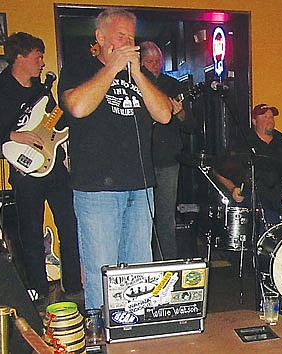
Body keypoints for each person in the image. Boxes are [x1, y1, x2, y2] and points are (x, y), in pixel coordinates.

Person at [58, 9, 172, 310]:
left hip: (140, 186)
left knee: (139, 274)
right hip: (97, 190)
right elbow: (78, 107)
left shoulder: (140, 74)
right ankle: (102, 339)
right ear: (100, 37)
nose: (127, 43)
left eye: (131, 38)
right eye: (120, 36)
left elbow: (164, 113)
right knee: (102, 273)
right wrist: (112, 68)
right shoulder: (79, 67)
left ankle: (134, 337)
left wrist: (136, 73)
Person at [0, 32, 82, 310]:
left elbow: (57, 125)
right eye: (37, 56)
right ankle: (37, 289)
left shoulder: (42, 89)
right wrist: (14, 135)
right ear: (19, 57)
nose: (41, 62)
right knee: (30, 232)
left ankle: (73, 284)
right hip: (25, 171)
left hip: (54, 168)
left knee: (69, 225)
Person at [139, 41, 195, 261]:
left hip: (167, 160)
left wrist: (180, 113)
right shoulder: (134, 83)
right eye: (150, 61)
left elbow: (190, 125)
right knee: (141, 217)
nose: (154, 66)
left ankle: (168, 262)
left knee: (165, 217)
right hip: (139, 160)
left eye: (157, 62)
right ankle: (142, 262)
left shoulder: (172, 85)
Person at [215, 104, 282, 228]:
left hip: (281, 200)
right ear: (254, 121)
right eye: (265, 117)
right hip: (253, 199)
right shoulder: (241, 144)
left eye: (271, 117)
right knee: (266, 217)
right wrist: (233, 189)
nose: (270, 120)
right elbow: (218, 170)